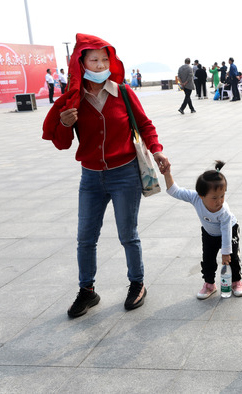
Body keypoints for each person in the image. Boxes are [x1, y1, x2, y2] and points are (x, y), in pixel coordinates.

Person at [41, 33, 170, 317]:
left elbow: (146, 125)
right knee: (85, 237)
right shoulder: (73, 100)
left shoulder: (123, 92)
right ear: (81, 63)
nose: (100, 66)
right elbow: (62, 143)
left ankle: (137, 284)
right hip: (91, 178)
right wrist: (64, 123)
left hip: (125, 175)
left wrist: (157, 150)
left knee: (128, 234)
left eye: (104, 60)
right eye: (94, 60)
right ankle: (87, 291)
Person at [163, 161, 242, 299]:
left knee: (233, 258)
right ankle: (209, 284)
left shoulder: (224, 211)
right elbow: (175, 191)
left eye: (222, 196)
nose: (219, 201)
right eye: (214, 198)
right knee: (208, 259)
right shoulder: (195, 197)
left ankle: (236, 282)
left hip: (229, 230)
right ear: (201, 195)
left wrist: (226, 253)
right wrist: (167, 174)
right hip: (209, 233)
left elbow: (226, 232)